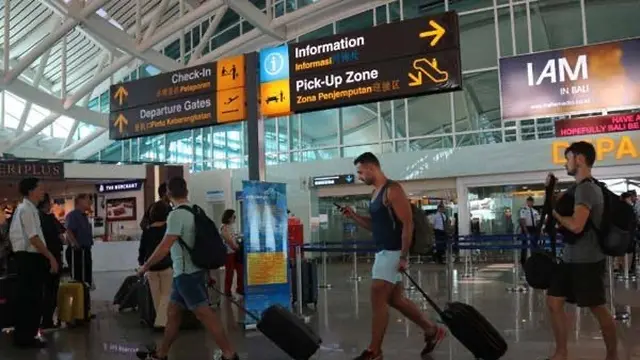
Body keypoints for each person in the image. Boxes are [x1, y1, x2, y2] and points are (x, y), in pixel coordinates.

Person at [339, 152, 445, 360]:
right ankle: (432, 330)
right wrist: (353, 216)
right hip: (383, 251)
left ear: (371, 167)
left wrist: (403, 256)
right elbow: (374, 226)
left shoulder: (393, 190)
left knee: (378, 296)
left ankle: (374, 351)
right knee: (396, 300)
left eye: (361, 172)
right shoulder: (375, 193)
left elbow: (408, 224)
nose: (360, 176)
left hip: (393, 252)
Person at [136, 177, 239, 360]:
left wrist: (145, 266)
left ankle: (229, 354)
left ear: (168, 194)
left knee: (206, 315)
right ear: (187, 191)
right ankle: (162, 353)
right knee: (173, 314)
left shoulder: (176, 215)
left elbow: (164, 247)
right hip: (190, 272)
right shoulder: (195, 210)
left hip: (186, 275)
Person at [547, 141, 617, 360]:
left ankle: (612, 355)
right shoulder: (578, 188)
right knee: (553, 301)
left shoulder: (587, 188)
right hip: (569, 258)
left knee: (598, 308)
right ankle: (561, 352)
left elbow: (577, 224)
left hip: (587, 260)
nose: (565, 163)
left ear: (579, 159)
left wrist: (556, 215)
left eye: (568, 158)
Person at [9, 177, 57, 348]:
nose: (42, 191)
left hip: (26, 258)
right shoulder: (27, 210)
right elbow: (34, 238)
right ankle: (26, 337)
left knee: (28, 298)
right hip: (29, 258)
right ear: (31, 191)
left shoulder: (27, 209)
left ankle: (25, 335)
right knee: (31, 299)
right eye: (40, 188)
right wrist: (50, 257)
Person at [138, 201, 173, 331]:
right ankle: (162, 322)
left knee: (155, 295)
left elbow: (142, 250)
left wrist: (142, 264)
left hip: (151, 268)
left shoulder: (147, 231)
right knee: (166, 295)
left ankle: (159, 320)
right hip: (166, 265)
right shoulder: (168, 230)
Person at [37, 193, 66, 330]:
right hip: (52, 256)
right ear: (47, 203)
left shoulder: (35, 218)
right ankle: (47, 320)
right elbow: (61, 237)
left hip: (39, 258)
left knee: (43, 289)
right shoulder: (49, 219)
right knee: (51, 289)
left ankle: (42, 319)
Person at [65, 194, 94, 289]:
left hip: (85, 251)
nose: (90, 202)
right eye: (87, 199)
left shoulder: (84, 216)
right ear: (80, 201)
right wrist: (75, 244)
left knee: (86, 278)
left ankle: (85, 300)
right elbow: (69, 231)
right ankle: (79, 301)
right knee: (78, 280)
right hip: (77, 252)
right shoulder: (73, 215)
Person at [220, 209, 243, 297]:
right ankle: (227, 291)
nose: (235, 219)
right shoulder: (224, 227)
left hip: (234, 252)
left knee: (239, 271)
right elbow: (229, 240)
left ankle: (240, 289)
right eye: (234, 217)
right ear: (229, 218)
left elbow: (233, 238)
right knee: (230, 273)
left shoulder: (230, 227)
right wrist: (236, 247)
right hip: (229, 253)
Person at [519, 196, 540, 265]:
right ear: (527, 202)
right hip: (526, 228)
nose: (530, 203)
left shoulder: (535, 211)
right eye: (529, 201)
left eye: (531, 202)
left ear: (533, 202)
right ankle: (523, 260)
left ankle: (533, 258)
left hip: (533, 228)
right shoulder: (523, 210)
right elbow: (522, 220)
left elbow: (537, 221)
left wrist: (539, 229)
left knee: (533, 244)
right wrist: (525, 229)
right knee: (524, 244)